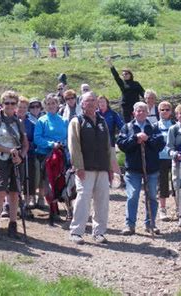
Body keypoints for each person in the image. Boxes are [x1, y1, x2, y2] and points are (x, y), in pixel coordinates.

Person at [68, 92, 112, 244]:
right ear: (82, 104)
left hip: (102, 168)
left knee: (102, 200)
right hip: (84, 168)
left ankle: (99, 232)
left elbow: (108, 145)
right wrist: (78, 166)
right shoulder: (77, 121)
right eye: (88, 101)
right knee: (83, 199)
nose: (92, 103)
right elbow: (74, 145)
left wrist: (110, 168)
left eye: (94, 100)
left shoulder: (102, 121)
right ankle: (76, 232)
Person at [117, 102, 165, 235]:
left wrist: (147, 139)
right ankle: (129, 225)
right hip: (133, 169)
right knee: (132, 196)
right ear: (134, 113)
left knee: (152, 197)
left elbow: (161, 144)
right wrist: (135, 139)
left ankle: (151, 224)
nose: (141, 113)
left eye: (144, 110)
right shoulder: (127, 127)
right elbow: (121, 144)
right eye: (138, 111)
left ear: (147, 112)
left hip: (152, 169)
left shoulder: (154, 127)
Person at [0, 91, 29, 239]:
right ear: (2, 104)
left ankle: (13, 224)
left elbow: (25, 144)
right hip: (2, 159)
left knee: (15, 192)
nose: (10, 106)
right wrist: (8, 151)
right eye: (7, 103)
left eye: (13, 103)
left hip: (16, 160)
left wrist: (21, 157)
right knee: (0, 191)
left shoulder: (19, 122)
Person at [34, 93, 68, 221]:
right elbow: (37, 138)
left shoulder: (64, 120)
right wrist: (51, 144)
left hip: (61, 155)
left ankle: (64, 207)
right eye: (48, 104)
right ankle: (53, 210)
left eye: (53, 103)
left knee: (61, 181)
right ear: (45, 106)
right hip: (46, 156)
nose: (51, 106)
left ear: (58, 104)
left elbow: (68, 137)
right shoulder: (42, 121)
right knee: (49, 182)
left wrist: (62, 145)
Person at [107, 57, 144, 123]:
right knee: (127, 124)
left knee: (137, 122)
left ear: (130, 74)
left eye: (126, 74)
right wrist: (110, 65)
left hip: (135, 106)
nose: (124, 75)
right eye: (123, 74)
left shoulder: (136, 83)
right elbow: (116, 76)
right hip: (125, 107)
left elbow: (143, 93)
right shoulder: (122, 84)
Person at [17, 96, 37, 214]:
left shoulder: (32, 123)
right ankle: (11, 204)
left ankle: (26, 203)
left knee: (28, 178)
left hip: (28, 154)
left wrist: (28, 144)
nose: (22, 109)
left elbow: (35, 139)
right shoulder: (12, 120)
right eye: (20, 107)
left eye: (24, 107)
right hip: (14, 153)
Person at [97, 95, 123, 179]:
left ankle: (119, 178)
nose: (102, 104)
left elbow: (121, 126)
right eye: (100, 102)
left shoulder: (113, 114)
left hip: (110, 141)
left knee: (113, 161)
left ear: (107, 103)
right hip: (98, 142)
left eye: (103, 101)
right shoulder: (95, 114)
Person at [157, 101, 175, 221]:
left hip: (174, 158)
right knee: (162, 184)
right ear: (159, 111)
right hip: (160, 158)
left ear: (171, 112)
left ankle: (179, 209)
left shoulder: (175, 124)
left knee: (176, 184)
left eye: (167, 109)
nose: (164, 112)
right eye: (162, 110)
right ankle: (162, 209)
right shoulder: (155, 126)